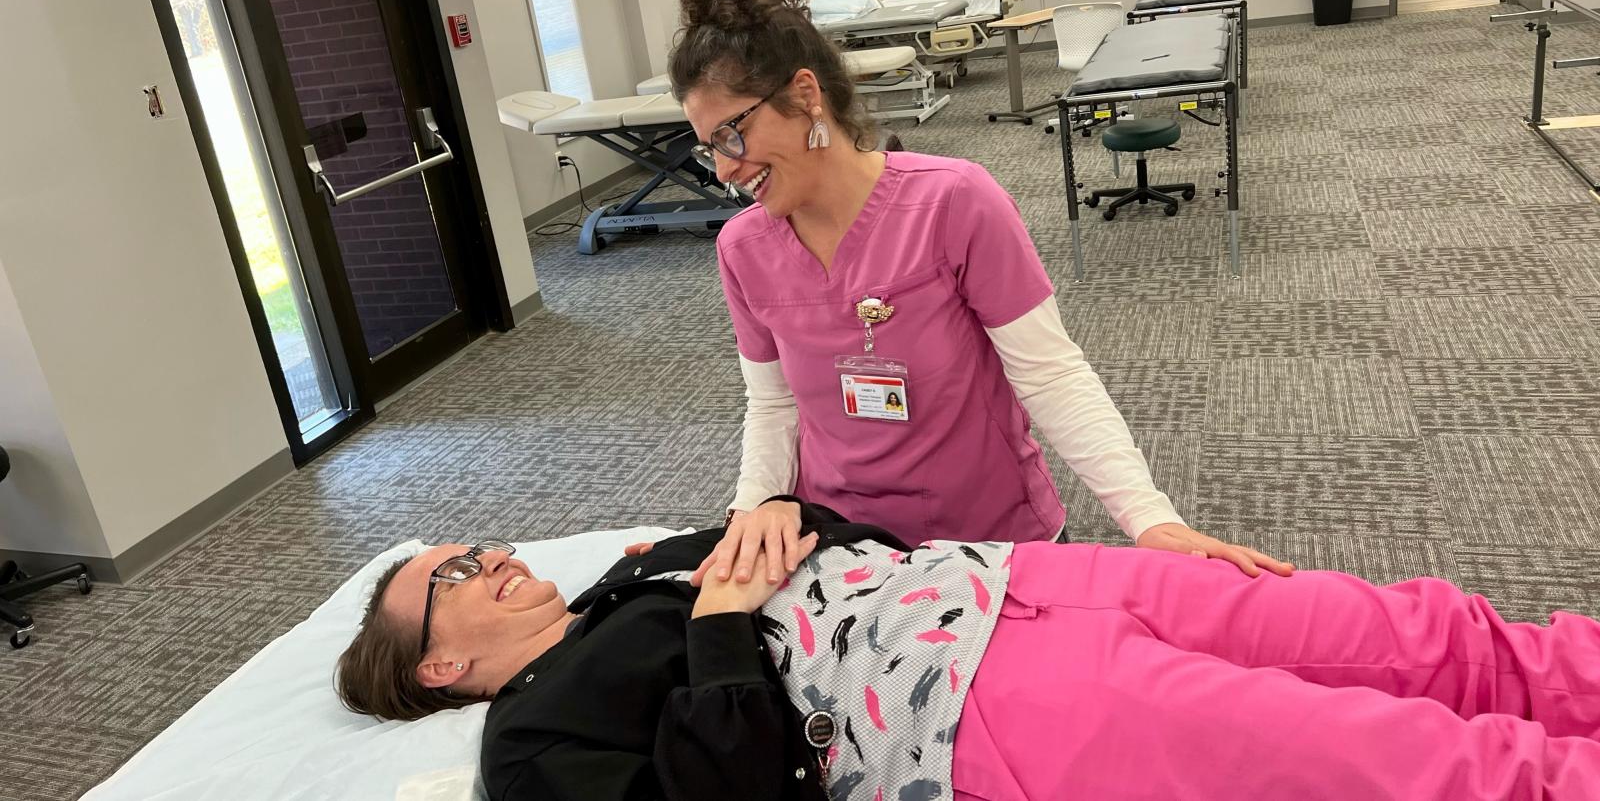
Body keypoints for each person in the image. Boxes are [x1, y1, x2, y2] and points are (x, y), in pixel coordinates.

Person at [667, 0, 1291, 585]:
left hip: (992, 547)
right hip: (849, 555)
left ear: (806, 95)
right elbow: (773, 403)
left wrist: (1149, 518)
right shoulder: (743, 248)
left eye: (731, 135)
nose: (723, 170)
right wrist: (749, 516)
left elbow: (1050, 375)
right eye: (707, 147)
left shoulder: (952, 202)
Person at [337, 497, 1600, 800]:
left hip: (1017, 577)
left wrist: (782, 508)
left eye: (469, 546)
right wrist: (722, 629)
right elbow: (719, 789)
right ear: (435, 668)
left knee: (1415, 632)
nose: (483, 558)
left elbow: (833, 526)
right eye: (446, 579)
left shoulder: (625, 573)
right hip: (975, 703)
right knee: (1405, 761)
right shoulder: (530, 739)